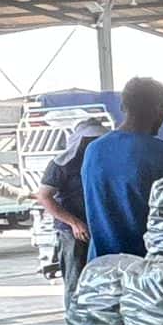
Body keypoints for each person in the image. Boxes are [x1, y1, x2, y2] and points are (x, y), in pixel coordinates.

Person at [80, 77, 163, 260]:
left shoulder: (94, 150)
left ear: (124, 107)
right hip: (146, 267)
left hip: (100, 266)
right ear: (156, 109)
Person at [34, 117, 108, 302]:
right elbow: (44, 196)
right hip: (73, 232)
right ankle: (75, 317)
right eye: (89, 140)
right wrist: (74, 223)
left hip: (102, 227)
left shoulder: (106, 161)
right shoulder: (62, 164)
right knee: (76, 282)